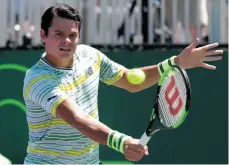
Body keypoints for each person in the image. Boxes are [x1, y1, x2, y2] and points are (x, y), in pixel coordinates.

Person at [22, 3, 223, 164]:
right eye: (58, 34)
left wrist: (176, 62)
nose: (66, 40)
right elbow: (76, 119)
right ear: (43, 35)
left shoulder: (89, 56)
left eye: (72, 35)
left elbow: (129, 80)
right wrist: (122, 142)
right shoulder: (38, 78)